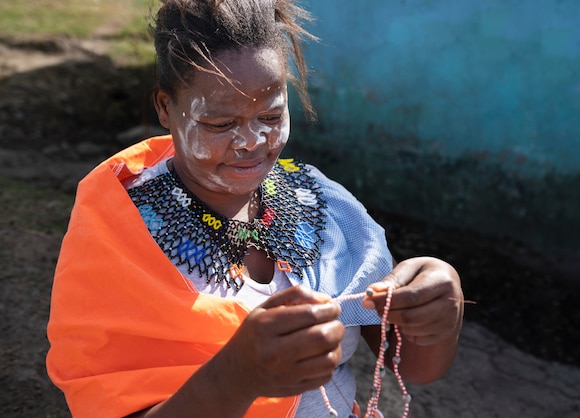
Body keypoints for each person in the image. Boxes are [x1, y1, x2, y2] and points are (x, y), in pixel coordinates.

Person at [46, 1, 464, 417]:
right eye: (220, 123)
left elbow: (413, 364)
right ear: (165, 108)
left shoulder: (322, 205)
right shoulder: (120, 230)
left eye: (271, 115)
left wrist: (441, 303)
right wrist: (237, 375)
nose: (251, 141)